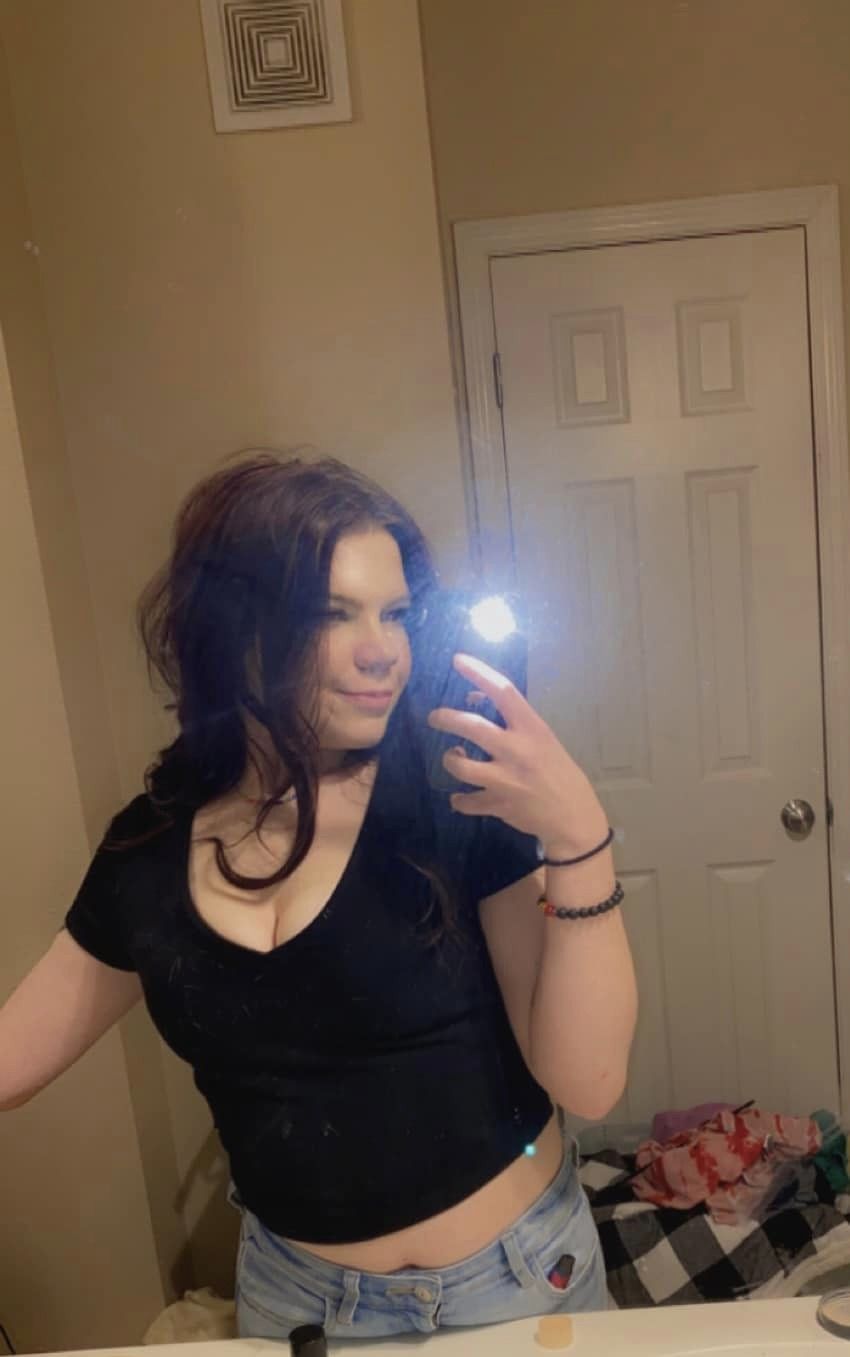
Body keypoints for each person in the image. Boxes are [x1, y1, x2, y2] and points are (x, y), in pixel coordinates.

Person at [0, 453, 637, 1339]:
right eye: (331, 613)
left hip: (518, 1285)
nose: (383, 649)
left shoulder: (450, 796)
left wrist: (578, 836)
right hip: (295, 1306)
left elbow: (589, 1082)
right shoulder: (147, 849)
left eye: (395, 613)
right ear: (233, 627)